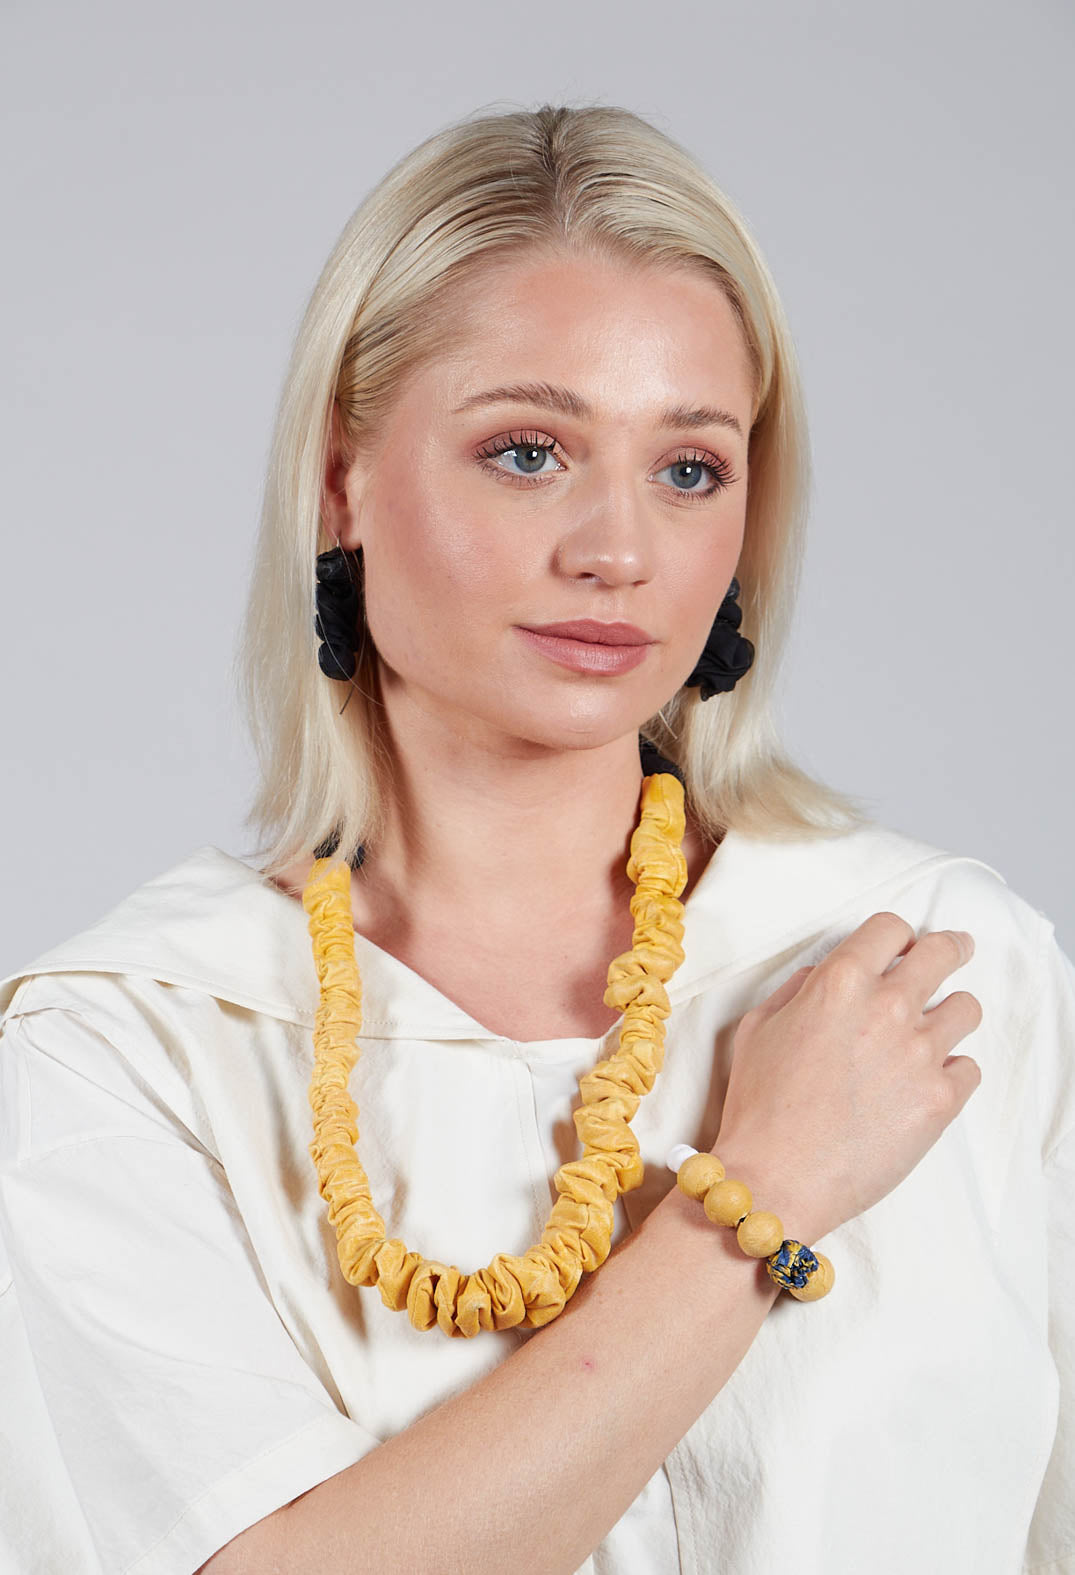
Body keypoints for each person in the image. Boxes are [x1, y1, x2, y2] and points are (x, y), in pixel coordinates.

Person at [0, 102, 1071, 1575]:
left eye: (690, 468)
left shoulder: (943, 977)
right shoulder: (132, 1047)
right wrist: (759, 1191)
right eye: (527, 452)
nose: (617, 548)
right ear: (342, 482)